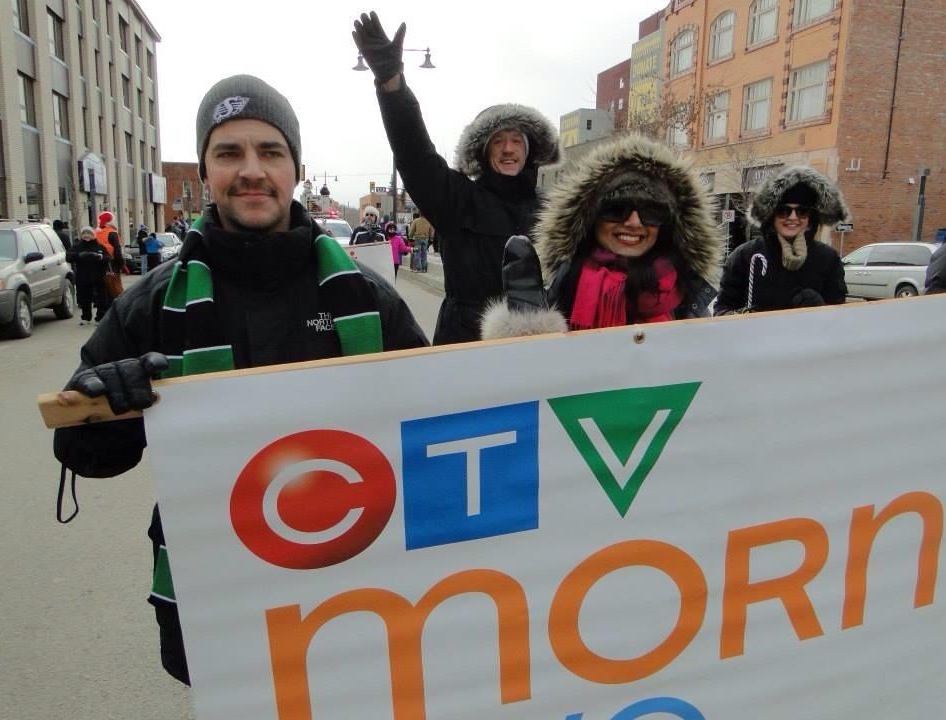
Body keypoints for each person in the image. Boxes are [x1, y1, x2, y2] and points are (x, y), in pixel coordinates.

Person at [52, 74, 428, 686]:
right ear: (206, 172)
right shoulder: (150, 303)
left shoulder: (365, 297)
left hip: (356, 575)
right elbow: (81, 454)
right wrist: (112, 406)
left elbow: (442, 419)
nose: (251, 169)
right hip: (213, 580)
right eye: (229, 152)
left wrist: (522, 350)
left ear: (295, 170)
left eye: (270, 152)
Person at [353, 12, 561, 345]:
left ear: (529, 150)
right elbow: (415, 156)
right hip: (466, 347)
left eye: (516, 140)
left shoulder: (554, 210)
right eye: (498, 140)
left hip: (538, 353)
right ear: (483, 151)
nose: (508, 149)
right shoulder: (458, 199)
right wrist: (392, 83)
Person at [480, 134, 722, 338]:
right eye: (617, 209)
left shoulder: (687, 286)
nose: (634, 222)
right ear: (592, 218)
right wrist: (528, 325)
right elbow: (530, 375)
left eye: (652, 212)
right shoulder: (568, 280)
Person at [713, 166, 848, 314]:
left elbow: (839, 316)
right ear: (771, 215)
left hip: (808, 336)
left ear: (810, 218)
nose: (793, 217)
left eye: (802, 211)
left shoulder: (828, 258)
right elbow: (721, 310)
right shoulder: (745, 256)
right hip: (759, 336)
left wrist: (821, 307)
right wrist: (741, 315)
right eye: (783, 211)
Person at [65, 225, 109, 325]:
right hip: (83, 276)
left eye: (89, 233)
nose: (86, 236)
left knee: (101, 298)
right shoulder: (77, 246)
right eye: (84, 233)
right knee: (84, 298)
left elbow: (108, 258)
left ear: (93, 235)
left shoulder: (99, 246)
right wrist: (78, 255)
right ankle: (86, 317)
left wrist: (100, 257)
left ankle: (100, 317)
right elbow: (68, 257)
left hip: (98, 276)